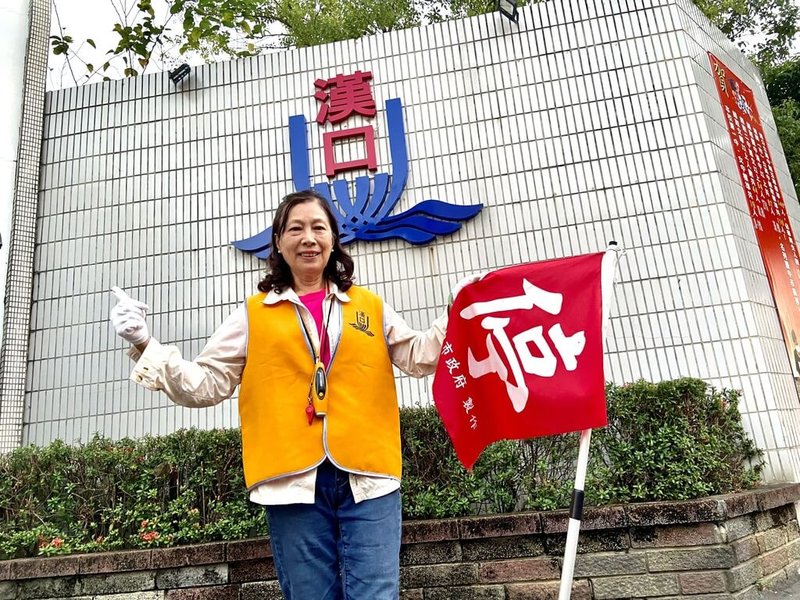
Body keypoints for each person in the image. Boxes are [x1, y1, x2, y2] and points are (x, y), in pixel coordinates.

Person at [110, 189, 478, 600]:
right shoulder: (252, 314)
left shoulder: (368, 306)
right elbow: (206, 382)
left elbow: (419, 356)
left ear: (333, 240)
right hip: (292, 481)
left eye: (318, 227)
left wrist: (454, 311)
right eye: (296, 228)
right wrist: (145, 343)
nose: (308, 237)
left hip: (369, 476)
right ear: (279, 244)